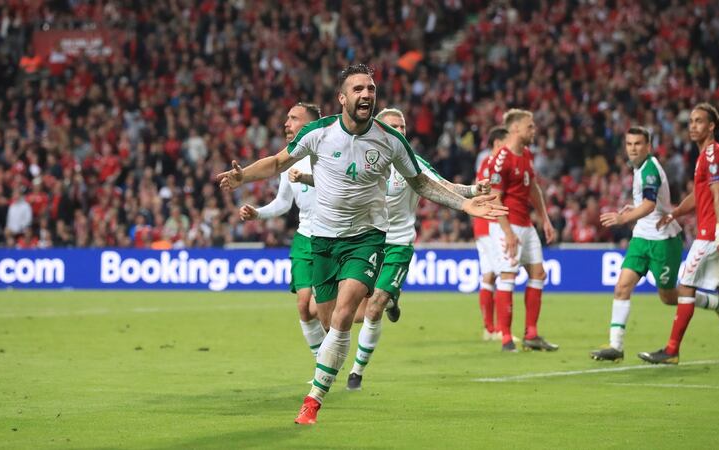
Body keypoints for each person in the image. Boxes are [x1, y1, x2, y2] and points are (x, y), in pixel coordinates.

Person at [216, 64, 507, 425]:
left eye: (370, 88)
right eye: (358, 89)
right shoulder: (318, 133)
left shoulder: (390, 140)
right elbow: (277, 162)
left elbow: (422, 183)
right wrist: (244, 175)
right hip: (322, 241)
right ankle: (328, 370)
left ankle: (313, 400)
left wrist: (463, 203)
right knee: (328, 322)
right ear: (342, 98)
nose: (366, 94)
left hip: (366, 238)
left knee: (342, 317)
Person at [292, 107, 490, 391]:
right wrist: (305, 177)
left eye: (403, 126)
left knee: (373, 307)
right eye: (393, 126)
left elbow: (441, 186)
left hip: (396, 243)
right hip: (366, 240)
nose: (400, 130)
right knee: (333, 310)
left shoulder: (413, 161)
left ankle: (357, 373)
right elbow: (335, 178)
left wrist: (471, 191)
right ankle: (379, 313)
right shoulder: (363, 155)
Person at [590, 127, 719, 363]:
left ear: (648, 146)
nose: (633, 148)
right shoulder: (640, 168)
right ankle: (616, 346)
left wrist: (624, 217)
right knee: (622, 287)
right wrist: (632, 209)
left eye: (638, 144)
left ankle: (715, 303)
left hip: (663, 241)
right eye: (629, 144)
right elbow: (644, 203)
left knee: (668, 297)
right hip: (641, 239)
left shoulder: (651, 170)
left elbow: (650, 205)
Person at [640, 103, 719, 366]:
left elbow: (716, 193)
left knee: (685, 286)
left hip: (713, 232)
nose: (693, 126)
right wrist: (676, 212)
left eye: (699, 121)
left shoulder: (713, 154)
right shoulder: (706, 155)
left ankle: (671, 350)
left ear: (711, 126)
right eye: (691, 121)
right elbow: (700, 195)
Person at [239, 103, 325, 360]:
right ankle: (323, 366)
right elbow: (283, 203)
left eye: (293, 118)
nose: (286, 124)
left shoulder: (328, 156)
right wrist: (258, 213)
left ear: (309, 125)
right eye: (286, 118)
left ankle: (332, 356)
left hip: (330, 239)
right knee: (303, 307)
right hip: (303, 239)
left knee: (318, 308)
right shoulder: (288, 163)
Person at [488, 109, 558, 352]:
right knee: (508, 276)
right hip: (507, 224)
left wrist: (545, 219)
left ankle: (532, 334)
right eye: (530, 126)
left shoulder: (526, 154)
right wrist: (507, 233)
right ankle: (506, 336)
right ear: (515, 129)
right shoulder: (501, 159)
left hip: (527, 225)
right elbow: (495, 199)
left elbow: (533, 188)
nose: (534, 130)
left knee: (538, 274)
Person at [474, 126, 512, 342]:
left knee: (488, 276)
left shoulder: (486, 164)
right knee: (502, 273)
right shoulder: (492, 164)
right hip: (490, 223)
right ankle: (498, 329)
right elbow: (492, 196)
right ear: (498, 143)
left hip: (482, 225)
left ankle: (489, 328)